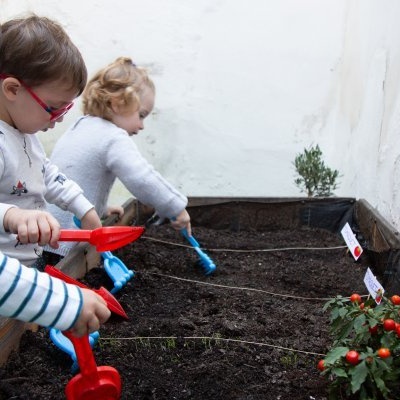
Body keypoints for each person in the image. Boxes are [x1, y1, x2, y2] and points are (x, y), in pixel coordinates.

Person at [0, 14, 110, 336]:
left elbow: (48, 174)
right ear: (12, 89)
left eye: (66, 109)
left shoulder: (26, 135)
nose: (60, 118)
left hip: (26, 267)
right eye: (54, 107)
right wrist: (12, 215)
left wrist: (83, 208)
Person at [44, 56, 191, 262]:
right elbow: (142, 178)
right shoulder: (112, 137)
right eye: (141, 115)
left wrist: (101, 209)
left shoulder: (81, 126)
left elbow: (80, 176)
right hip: (69, 243)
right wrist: (176, 207)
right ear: (116, 104)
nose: (142, 126)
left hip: (48, 233)